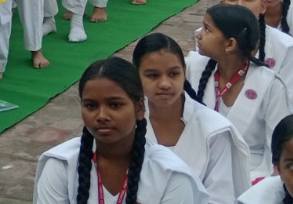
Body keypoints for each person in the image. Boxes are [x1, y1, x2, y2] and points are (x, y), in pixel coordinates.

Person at [33, 57, 209, 203]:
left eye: (115, 105)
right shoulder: (61, 164)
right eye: (91, 105)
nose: (102, 115)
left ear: (140, 108)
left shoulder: (171, 174)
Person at [134, 34, 251, 203]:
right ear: (136, 76)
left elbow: (219, 197)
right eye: (153, 75)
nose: (165, 84)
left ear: (184, 72)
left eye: (173, 74)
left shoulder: (214, 130)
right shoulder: (127, 123)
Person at [189, 4, 291, 177]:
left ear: (230, 44)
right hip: (199, 163)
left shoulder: (271, 85)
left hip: (251, 171)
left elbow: (278, 147)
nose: (198, 34)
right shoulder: (193, 67)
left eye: (207, 29)